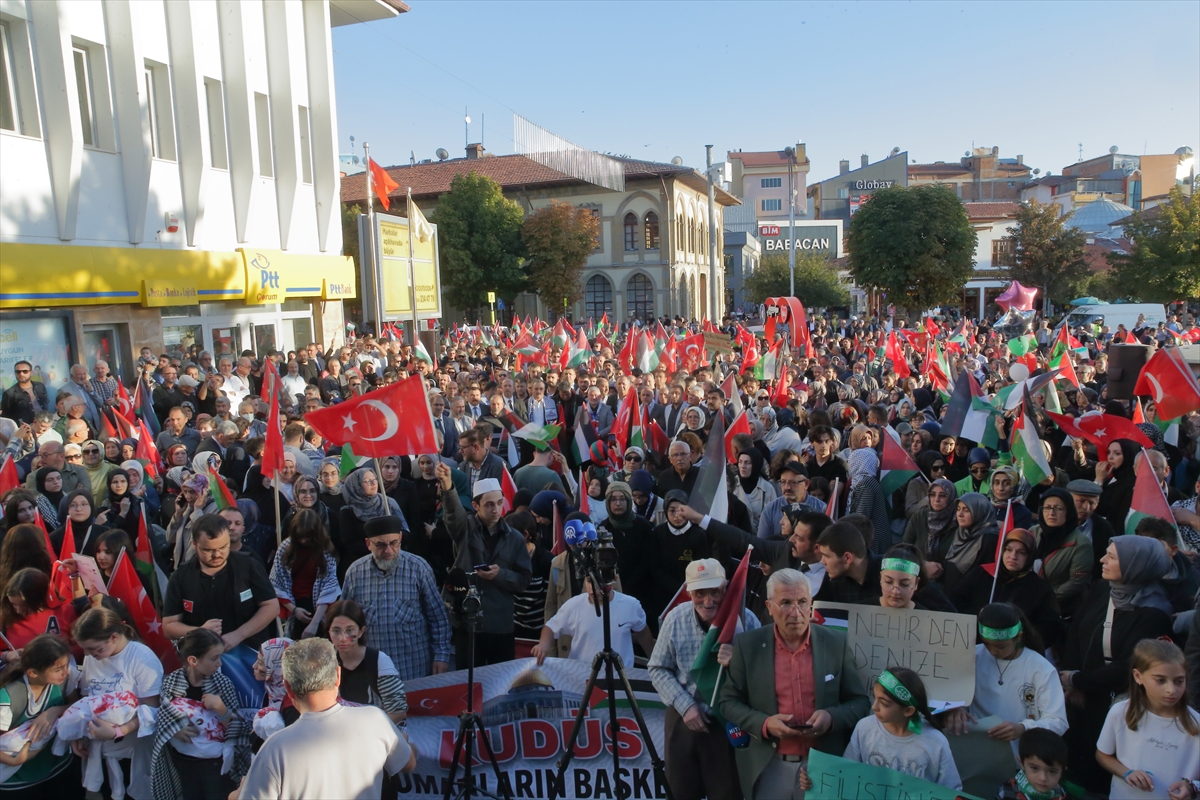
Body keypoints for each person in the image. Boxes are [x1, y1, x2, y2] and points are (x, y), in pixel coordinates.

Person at [719, 568, 870, 800]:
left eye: (802, 602)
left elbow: (859, 702)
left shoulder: (835, 643)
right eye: (786, 603)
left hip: (822, 767)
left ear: (811, 605)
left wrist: (831, 718)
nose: (796, 612)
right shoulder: (748, 646)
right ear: (769, 608)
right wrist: (766, 724)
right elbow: (728, 702)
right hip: (768, 766)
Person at [1059, 535, 1175, 794]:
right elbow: (1076, 630)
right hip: (1078, 697)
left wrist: (1077, 680)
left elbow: (1129, 669)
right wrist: (1071, 680)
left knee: (1096, 776)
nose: (1102, 559)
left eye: (1111, 556)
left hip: (1113, 705)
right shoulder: (1103, 588)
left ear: (1136, 565)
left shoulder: (1154, 613)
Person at [236, 638, 416, 799]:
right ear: (338, 675)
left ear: (288, 688)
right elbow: (408, 764)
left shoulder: (274, 748)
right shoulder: (376, 719)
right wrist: (405, 743)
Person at [648, 558, 761, 800]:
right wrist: (685, 706)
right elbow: (657, 668)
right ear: (689, 592)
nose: (708, 601)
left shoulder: (747, 620)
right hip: (683, 719)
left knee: (728, 793)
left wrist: (739, 662)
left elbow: (764, 674)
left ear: (726, 587)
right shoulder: (674, 619)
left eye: (715, 592)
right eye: (700, 593)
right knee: (680, 793)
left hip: (727, 723)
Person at [943, 604, 1067, 763]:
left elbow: (1058, 721)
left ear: (1018, 636)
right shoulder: (972, 656)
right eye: (987, 644)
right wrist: (953, 707)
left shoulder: (1040, 668)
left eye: (1000, 646)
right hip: (972, 753)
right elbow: (946, 690)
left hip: (1017, 758)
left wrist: (1023, 728)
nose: (993, 651)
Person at [801, 667, 960, 791]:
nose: (874, 707)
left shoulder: (935, 742)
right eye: (874, 697)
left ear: (908, 711)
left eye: (884, 703)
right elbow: (846, 776)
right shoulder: (865, 728)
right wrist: (815, 779)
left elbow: (951, 789)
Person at [340, 516, 452, 681]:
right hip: (372, 671)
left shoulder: (418, 568)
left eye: (393, 543)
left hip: (415, 669)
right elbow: (345, 621)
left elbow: (438, 618)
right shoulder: (355, 573)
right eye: (380, 545)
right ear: (368, 543)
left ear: (400, 538)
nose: (388, 551)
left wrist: (441, 655)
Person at [438, 467, 531, 667]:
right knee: (469, 685)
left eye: (499, 503)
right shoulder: (466, 529)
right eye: (489, 505)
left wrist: (500, 575)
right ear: (475, 505)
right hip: (468, 624)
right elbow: (453, 512)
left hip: (500, 625)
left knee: (500, 683)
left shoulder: (514, 538)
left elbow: (524, 580)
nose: (496, 510)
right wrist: (447, 485)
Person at [67, 607, 163, 800]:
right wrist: (76, 732)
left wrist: (118, 732)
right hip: (96, 749)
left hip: (132, 753)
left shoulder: (142, 658)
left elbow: (152, 711)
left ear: (113, 637)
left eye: (95, 648)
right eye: (84, 648)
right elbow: (87, 700)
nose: (88, 654)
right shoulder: (91, 658)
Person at [149, 628, 248, 800]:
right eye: (214, 658)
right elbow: (164, 720)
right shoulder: (171, 684)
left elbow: (237, 728)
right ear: (193, 660)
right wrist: (176, 730)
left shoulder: (222, 684)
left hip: (215, 765)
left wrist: (221, 709)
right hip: (184, 762)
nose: (220, 664)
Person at [1095, 639, 1199, 800]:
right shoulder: (1120, 712)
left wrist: (1191, 787)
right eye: (1160, 680)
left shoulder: (1196, 723)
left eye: (1179, 681)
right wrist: (1127, 773)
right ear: (1138, 676)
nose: (1171, 690)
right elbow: (1103, 754)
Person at [162, 514, 280, 652]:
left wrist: (238, 635)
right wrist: (200, 631)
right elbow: (169, 625)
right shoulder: (180, 577)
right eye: (208, 550)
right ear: (194, 544)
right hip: (202, 657)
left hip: (248, 654)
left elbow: (271, 606)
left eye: (223, 547)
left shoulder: (249, 566)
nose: (217, 555)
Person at [949, 528, 1066, 649]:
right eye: (1008, 550)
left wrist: (1019, 641)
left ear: (1030, 555)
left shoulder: (1039, 588)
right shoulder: (980, 574)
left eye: (1021, 552)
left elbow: (1050, 628)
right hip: (973, 647)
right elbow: (955, 604)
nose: (1013, 556)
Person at [0, 634, 80, 799]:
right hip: (17, 781)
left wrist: (54, 711)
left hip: (58, 766)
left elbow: (78, 706)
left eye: (66, 665)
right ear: (33, 672)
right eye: (58, 669)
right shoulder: (8, 696)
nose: (65, 672)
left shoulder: (65, 679)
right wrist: (13, 761)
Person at [531, 573, 654, 666]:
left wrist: (656, 663)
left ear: (613, 580)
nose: (593, 588)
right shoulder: (574, 605)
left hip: (620, 678)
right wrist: (543, 645)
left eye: (599, 582)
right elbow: (551, 628)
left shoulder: (631, 605)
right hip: (581, 678)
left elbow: (643, 634)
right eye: (589, 581)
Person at [323, 599, 408, 725]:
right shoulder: (326, 662)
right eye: (336, 631)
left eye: (350, 630)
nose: (342, 638)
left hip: (379, 731)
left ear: (361, 632)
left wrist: (366, 735)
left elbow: (398, 712)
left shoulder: (379, 661)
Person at [269, 509, 340, 640]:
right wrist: (294, 610)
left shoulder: (325, 550)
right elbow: (276, 581)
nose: (303, 541)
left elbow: (329, 585)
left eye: (307, 536)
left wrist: (315, 622)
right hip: (295, 604)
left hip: (320, 609)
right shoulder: (286, 547)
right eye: (300, 536)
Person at [1029, 487, 1091, 619]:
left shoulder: (1081, 543)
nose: (1051, 513)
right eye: (1047, 507)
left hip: (1063, 612)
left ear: (1068, 511)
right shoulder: (1033, 533)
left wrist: (1046, 598)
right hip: (1031, 607)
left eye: (1058, 508)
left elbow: (1077, 580)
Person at [338, 468, 406, 574]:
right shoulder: (348, 511)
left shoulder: (389, 503)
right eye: (367, 481)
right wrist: (378, 551)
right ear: (356, 485)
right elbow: (350, 543)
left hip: (392, 561)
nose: (373, 483)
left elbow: (405, 532)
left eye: (374, 479)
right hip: (362, 566)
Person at [933, 492, 999, 594]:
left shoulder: (990, 539)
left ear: (979, 511)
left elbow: (984, 579)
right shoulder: (960, 533)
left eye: (966, 510)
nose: (959, 514)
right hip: (950, 597)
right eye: (958, 509)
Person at [813, 521, 882, 604]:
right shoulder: (833, 576)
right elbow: (819, 609)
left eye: (827, 556)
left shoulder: (888, 571)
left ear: (847, 558)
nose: (822, 562)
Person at [996, 728, 1070, 800]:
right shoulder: (1006, 792)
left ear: (1062, 772)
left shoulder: (1063, 795)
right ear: (1021, 763)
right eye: (1035, 768)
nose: (1043, 778)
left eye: (1052, 771)